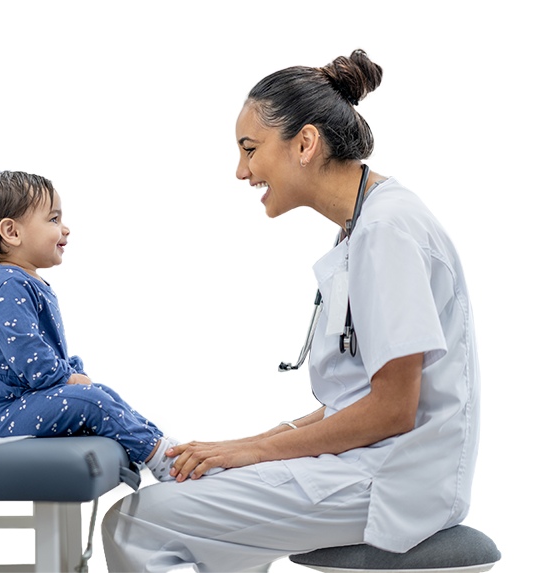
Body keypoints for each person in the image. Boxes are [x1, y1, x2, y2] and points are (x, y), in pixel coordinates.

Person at [101, 47, 482, 573]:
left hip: (396, 478)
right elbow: (354, 398)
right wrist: (245, 443)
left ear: (305, 142)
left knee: (138, 522)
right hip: (369, 464)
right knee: (191, 494)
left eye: (250, 149)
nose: (242, 171)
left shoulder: (387, 229)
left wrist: (256, 453)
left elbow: (393, 409)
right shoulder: (363, 224)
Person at [0, 169, 216, 481]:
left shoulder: (24, 281)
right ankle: (164, 459)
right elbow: (28, 354)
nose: (65, 230)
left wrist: (72, 375)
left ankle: (159, 444)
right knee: (90, 400)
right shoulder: (7, 285)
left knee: (98, 392)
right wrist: (66, 379)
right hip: (4, 413)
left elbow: (43, 351)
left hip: (25, 401)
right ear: (12, 232)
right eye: (53, 220)